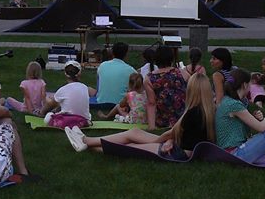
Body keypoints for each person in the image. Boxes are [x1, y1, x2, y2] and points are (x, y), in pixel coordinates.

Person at [66, 72, 217, 159]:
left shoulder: (193, 112)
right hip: (179, 147)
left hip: (179, 153)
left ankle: (86, 142)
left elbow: (172, 132)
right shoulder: (208, 110)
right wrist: (167, 140)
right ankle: (87, 141)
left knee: (130, 145)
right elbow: (178, 133)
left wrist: (158, 142)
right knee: (134, 133)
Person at [43, 60, 95, 128]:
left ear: (65, 73)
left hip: (67, 121)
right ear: (79, 73)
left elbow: (50, 105)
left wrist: (42, 112)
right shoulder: (85, 88)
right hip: (83, 121)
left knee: (49, 116)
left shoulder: (62, 90)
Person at [146, 44, 188, 129]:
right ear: (171, 58)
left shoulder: (149, 78)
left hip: (163, 122)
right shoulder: (183, 73)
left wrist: (151, 127)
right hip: (183, 119)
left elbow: (151, 103)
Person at [95, 41, 135, 106]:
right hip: (121, 103)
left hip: (101, 101)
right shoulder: (131, 70)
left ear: (112, 52)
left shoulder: (102, 65)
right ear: (126, 54)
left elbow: (98, 85)